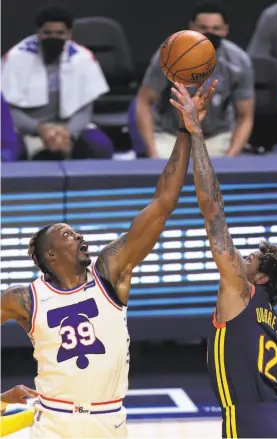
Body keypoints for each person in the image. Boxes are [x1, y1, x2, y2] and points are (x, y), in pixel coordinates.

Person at [0, 80, 217, 439]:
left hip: (108, 422)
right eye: (68, 234)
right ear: (50, 255)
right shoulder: (23, 298)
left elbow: (162, 204)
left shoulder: (110, 274)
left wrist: (186, 130)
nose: (80, 236)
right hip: (52, 422)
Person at [170, 82, 277, 438]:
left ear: (259, 280)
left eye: (250, 259)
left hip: (248, 422)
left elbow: (212, 210)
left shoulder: (241, 293)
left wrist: (196, 133)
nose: (240, 258)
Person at [136, 2, 254, 158]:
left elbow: (245, 115)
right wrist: (153, 154)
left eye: (216, 29)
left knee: (221, 178)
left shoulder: (239, 62)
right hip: (172, 135)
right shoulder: (169, 54)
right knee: (164, 175)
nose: (209, 33)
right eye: (203, 28)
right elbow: (144, 102)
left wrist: (231, 156)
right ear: (191, 27)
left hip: (217, 137)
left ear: (225, 30)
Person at [1, 6, 113, 161]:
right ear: (38, 33)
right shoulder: (16, 58)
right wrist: (39, 129)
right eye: (47, 33)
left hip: (68, 129)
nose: (53, 37)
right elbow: (7, 110)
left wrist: (68, 133)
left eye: (60, 33)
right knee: (10, 153)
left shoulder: (83, 58)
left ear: (69, 34)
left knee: (100, 146)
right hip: (27, 129)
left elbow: (85, 109)